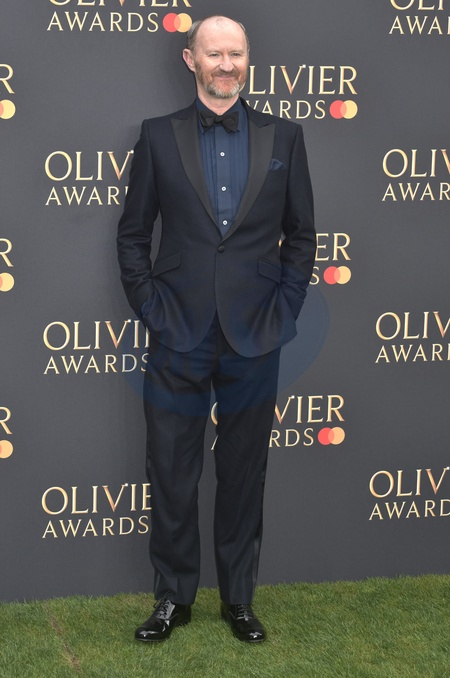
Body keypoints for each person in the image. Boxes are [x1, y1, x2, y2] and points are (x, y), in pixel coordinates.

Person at [117, 15, 316, 643]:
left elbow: (302, 236)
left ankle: (238, 600)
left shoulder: (286, 136)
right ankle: (172, 598)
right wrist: (151, 308)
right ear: (191, 60)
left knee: (244, 472)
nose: (226, 64)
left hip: (255, 332)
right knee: (171, 471)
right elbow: (132, 234)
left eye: (236, 53)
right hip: (177, 330)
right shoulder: (157, 136)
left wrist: (284, 309)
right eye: (214, 54)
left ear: (247, 58)